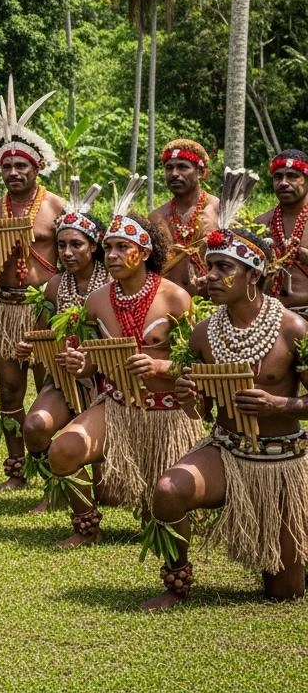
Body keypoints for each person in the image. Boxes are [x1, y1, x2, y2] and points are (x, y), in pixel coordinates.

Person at [142, 168, 308, 609]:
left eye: (222, 268)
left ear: (252, 275)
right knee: (168, 490)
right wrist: (190, 400)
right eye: (208, 267)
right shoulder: (201, 334)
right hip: (227, 449)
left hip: (281, 461)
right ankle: (176, 582)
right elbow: (200, 413)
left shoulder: (292, 329)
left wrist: (280, 401)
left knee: (284, 592)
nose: (207, 277)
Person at [47, 175, 201, 547]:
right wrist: (78, 363)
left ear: (144, 252)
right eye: (108, 248)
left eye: (121, 248)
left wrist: (162, 367)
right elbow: (90, 364)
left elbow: (199, 366)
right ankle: (86, 526)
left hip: (166, 413)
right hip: (116, 405)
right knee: (62, 450)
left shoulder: (176, 298)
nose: (111, 256)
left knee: (159, 510)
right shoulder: (97, 301)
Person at [0, 77, 64, 489]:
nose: (12, 172)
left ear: (36, 167)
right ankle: (16, 470)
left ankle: (48, 468)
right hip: (5, 307)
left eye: (20, 166)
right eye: (7, 166)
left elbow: (79, 261)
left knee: (50, 390)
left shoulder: (59, 208)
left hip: (44, 309)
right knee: (10, 393)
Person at [17, 178, 108, 511]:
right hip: (64, 377)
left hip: (106, 381)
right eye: (62, 245)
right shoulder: (55, 284)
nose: (67, 253)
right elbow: (42, 332)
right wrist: (30, 347)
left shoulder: (111, 282)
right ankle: (54, 489)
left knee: (107, 484)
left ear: (94, 246)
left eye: (77, 245)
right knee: (35, 426)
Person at [149, 139, 218, 296]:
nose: (174, 174)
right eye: (169, 168)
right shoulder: (155, 217)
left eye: (182, 167)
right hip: (166, 304)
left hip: (212, 303)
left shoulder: (219, 210)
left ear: (201, 172)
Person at [256, 150, 308, 315]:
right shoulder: (260, 223)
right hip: (270, 314)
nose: (284, 183)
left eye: (292, 176)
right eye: (278, 177)